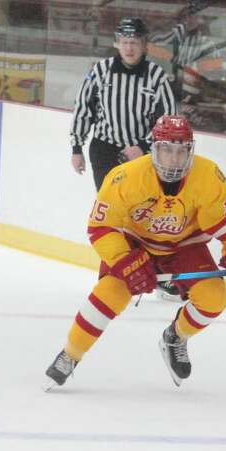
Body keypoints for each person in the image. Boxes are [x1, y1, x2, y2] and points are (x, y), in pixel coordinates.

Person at [46, 114, 226, 388]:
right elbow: (100, 228)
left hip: (184, 245)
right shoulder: (126, 177)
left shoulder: (209, 176)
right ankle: (70, 354)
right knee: (109, 294)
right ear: (154, 149)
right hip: (135, 244)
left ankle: (175, 337)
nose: (174, 159)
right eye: (167, 150)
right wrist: (126, 261)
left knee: (213, 298)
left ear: (190, 150)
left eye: (181, 151)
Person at [71, 16, 178, 299]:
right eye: (125, 42)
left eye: (134, 42)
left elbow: (168, 119)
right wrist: (76, 147)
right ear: (117, 43)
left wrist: (143, 145)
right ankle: (113, 274)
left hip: (142, 156)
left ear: (145, 45)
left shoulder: (156, 76)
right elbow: (83, 108)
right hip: (105, 150)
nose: (129, 48)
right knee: (112, 215)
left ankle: (157, 273)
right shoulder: (101, 70)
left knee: (147, 214)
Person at [148, 8, 226, 134]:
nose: (188, 20)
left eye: (193, 15)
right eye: (185, 16)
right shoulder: (159, 41)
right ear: (178, 19)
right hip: (164, 106)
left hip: (193, 109)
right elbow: (149, 79)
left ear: (200, 19)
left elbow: (214, 86)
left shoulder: (207, 46)